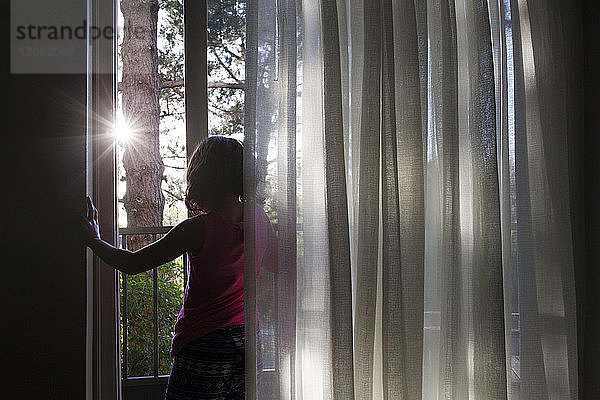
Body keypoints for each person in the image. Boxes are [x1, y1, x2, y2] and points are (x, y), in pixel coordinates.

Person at [81, 136, 273, 400]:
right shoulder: (259, 219)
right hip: (249, 338)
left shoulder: (198, 228)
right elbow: (276, 264)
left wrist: (94, 240)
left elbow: (133, 263)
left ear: (203, 178)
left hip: (206, 342)